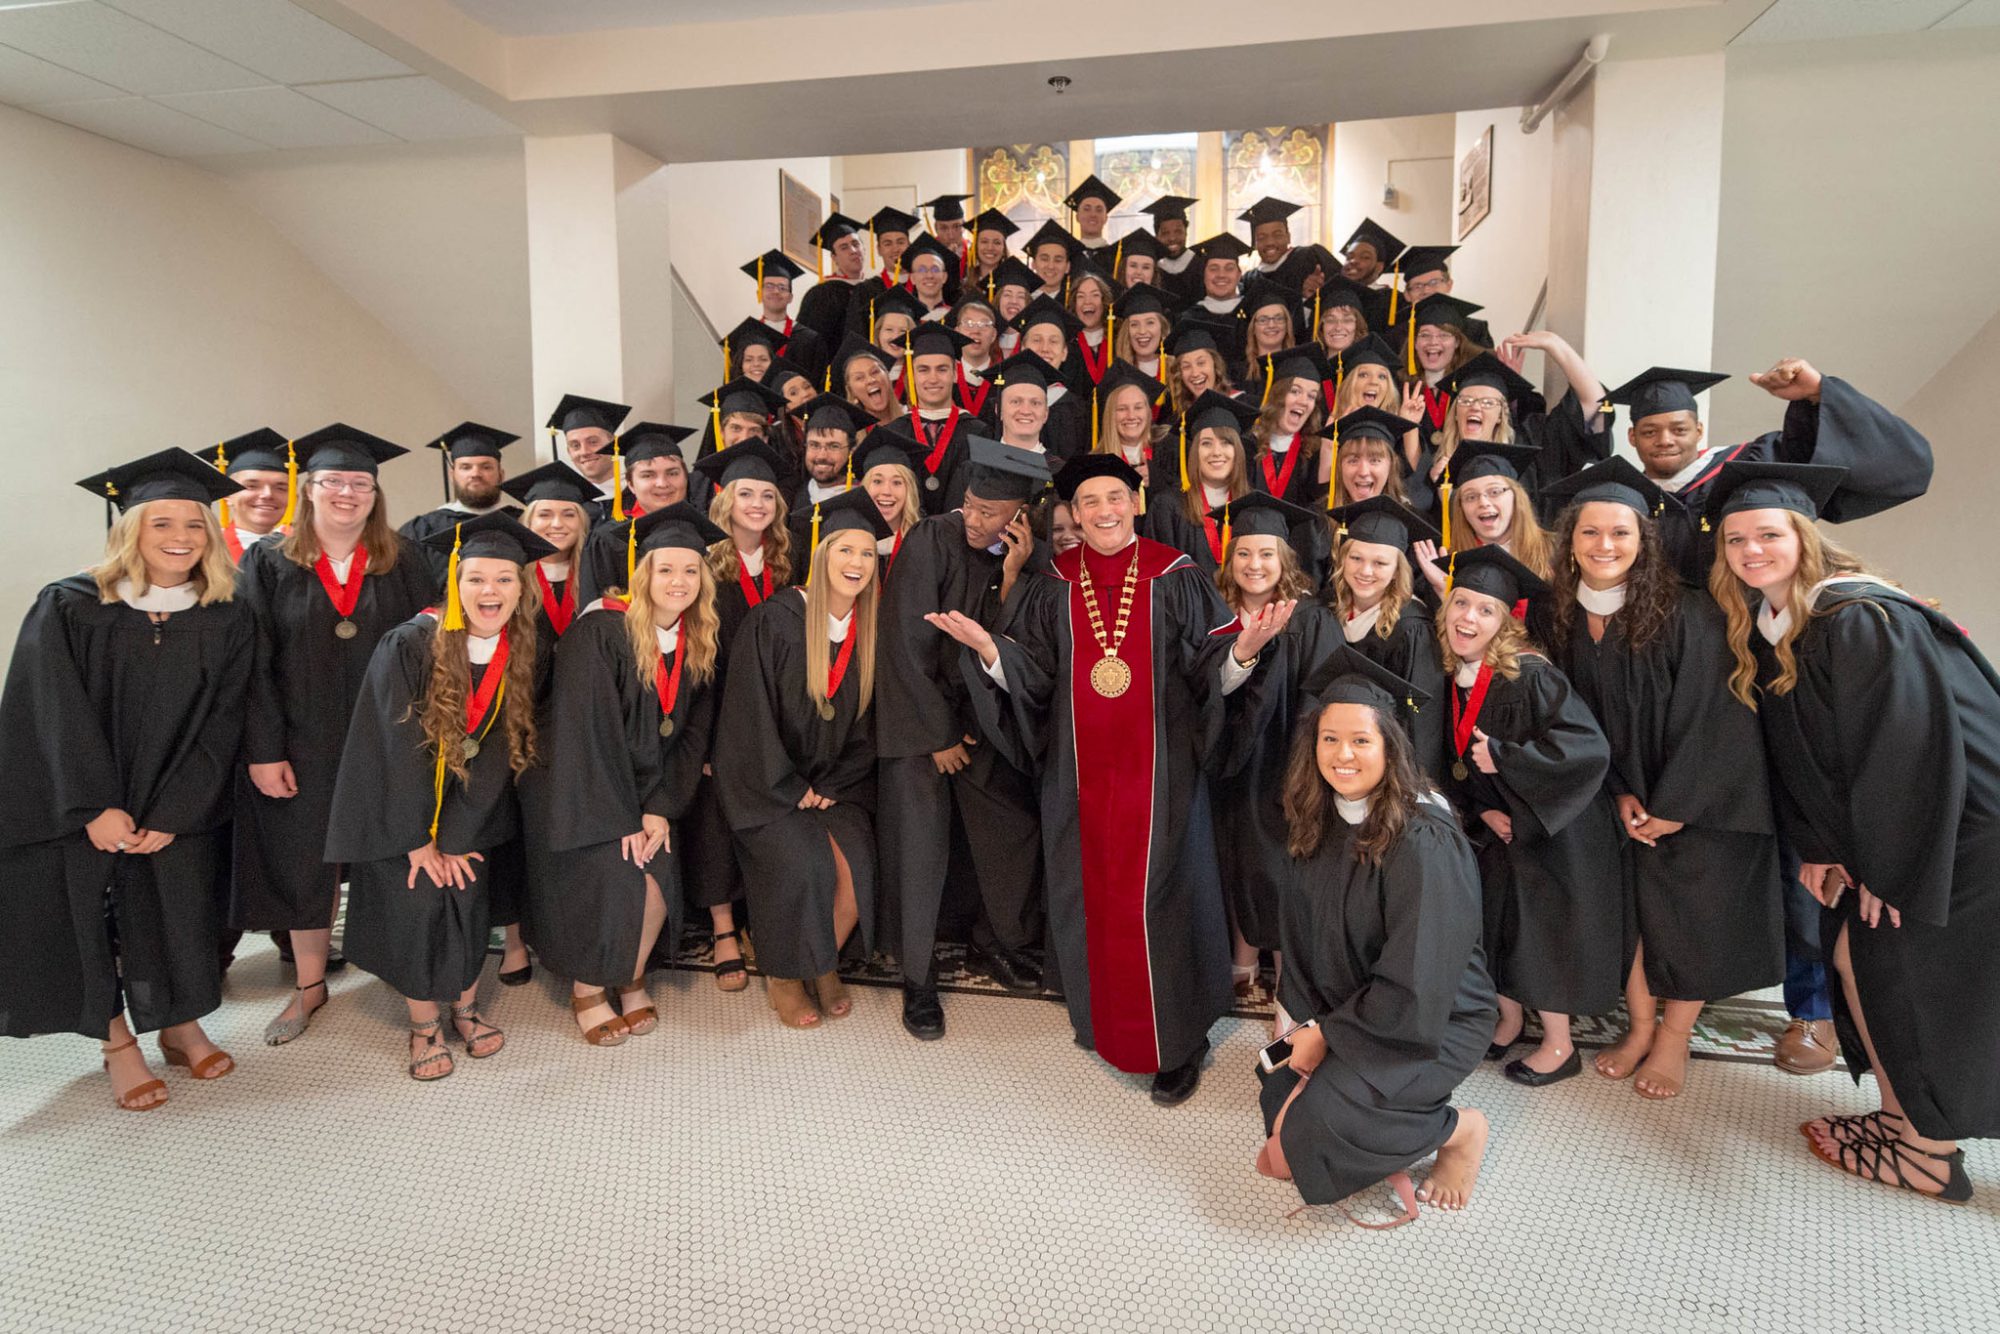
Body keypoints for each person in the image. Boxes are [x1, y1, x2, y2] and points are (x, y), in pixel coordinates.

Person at [1708, 461, 1996, 1203]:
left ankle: (1925, 1152)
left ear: (1803, 537)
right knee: (1855, 959)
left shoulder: (1858, 617)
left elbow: (1904, 752)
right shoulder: (1782, 626)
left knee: (1904, 978)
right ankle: (1904, 1123)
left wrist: (1892, 869)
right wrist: (1824, 848)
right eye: (1736, 539)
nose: (1751, 551)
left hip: (1959, 835)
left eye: (1768, 534)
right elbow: (1814, 756)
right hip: (1916, 831)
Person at [933, 454, 1236, 1104]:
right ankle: (1110, 1023)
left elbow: (1216, 658)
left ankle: (1178, 1043)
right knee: (1095, 902)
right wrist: (991, 653)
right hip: (1081, 782)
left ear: (1135, 500)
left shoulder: (1175, 575)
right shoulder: (1054, 580)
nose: (1102, 511)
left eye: (1113, 498)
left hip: (1164, 782)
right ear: (1071, 512)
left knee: (1160, 905)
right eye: (1088, 502)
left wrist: (1240, 656)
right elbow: (1035, 673)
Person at [0, 450, 254, 1111]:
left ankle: (179, 1022)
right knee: (94, 921)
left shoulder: (225, 614)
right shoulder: (71, 606)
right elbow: (48, 710)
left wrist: (177, 809)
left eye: (195, 524)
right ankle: (118, 1044)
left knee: (177, 911)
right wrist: (93, 806)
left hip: (177, 804)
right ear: (129, 529)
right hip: (88, 804)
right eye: (161, 523)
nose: (179, 539)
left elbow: (225, 717)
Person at [1541, 458, 1781, 1101]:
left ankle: (1674, 1037)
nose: (1604, 546)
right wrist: (1620, 790)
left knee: (1690, 916)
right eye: (1590, 533)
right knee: (1637, 917)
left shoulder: (1688, 613)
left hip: (1700, 799)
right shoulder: (1564, 618)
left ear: (1643, 539)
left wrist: (1676, 804)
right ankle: (1640, 1026)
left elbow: (1715, 714)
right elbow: (1577, 722)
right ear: (1570, 543)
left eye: (1620, 533)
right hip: (1627, 794)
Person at [1254, 650, 1494, 1224]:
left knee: (1318, 1128)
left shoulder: (1422, 840)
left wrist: (1332, 1037)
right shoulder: (1319, 816)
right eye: (1330, 739)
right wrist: (1303, 1024)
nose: (1343, 755)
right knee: (1273, 1092)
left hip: (1429, 1019)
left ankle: (1459, 1131)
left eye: (1361, 741)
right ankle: (1367, 1104)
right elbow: (1307, 937)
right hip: (1350, 1010)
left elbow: (1420, 976)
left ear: (1390, 747)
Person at [328, 512, 550, 1081]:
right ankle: (424, 1024)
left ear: (521, 587)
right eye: (476, 578)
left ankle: (467, 1009)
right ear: (454, 581)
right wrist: (419, 839)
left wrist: (458, 833)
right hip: (397, 813)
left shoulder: (523, 648)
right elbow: (391, 749)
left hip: (471, 814)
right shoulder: (410, 643)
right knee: (420, 900)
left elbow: (505, 746)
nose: (490, 591)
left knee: (469, 895)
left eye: (504, 579)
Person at [233, 425, 434, 1047]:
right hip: (302, 741)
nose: (347, 493)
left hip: (390, 738)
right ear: (309, 490)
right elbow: (254, 662)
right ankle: (309, 988)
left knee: (394, 854)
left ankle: (410, 981)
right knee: (304, 865)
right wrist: (265, 750)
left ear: (375, 495)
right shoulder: (267, 561)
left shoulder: (404, 559)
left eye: (360, 484)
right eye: (333, 482)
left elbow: (433, 651)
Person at [524, 503, 728, 1046]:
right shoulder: (601, 631)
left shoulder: (699, 639)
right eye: (665, 569)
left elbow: (692, 734)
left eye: (690, 571)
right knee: (625, 877)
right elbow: (589, 736)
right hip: (581, 791)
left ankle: (629, 975)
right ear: (642, 573)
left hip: (648, 793)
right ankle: (588, 985)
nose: (678, 581)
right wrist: (625, 819)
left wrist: (660, 805)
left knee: (658, 886)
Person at [876, 440, 1049, 1038]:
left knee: (1010, 826)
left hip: (984, 725)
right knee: (919, 846)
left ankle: (995, 942)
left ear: (1020, 516)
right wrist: (938, 735)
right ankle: (917, 980)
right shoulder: (932, 540)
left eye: (990, 512)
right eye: (970, 505)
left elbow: (1012, 644)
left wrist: (1009, 576)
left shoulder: (1025, 559)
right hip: (921, 725)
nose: (974, 520)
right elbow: (905, 644)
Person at [1434, 546, 1621, 1088]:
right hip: (1506, 824)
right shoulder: (1458, 674)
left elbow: (1587, 749)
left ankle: (1560, 1046)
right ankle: (1509, 1017)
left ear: (1506, 622)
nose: (1468, 617)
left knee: (1543, 931)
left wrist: (1509, 763)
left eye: (1484, 610)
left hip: (1557, 828)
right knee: (1500, 923)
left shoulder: (1531, 675)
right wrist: (1487, 808)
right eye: (1460, 603)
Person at [715, 488, 891, 1029]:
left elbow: (871, 724)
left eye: (866, 553)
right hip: (767, 787)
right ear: (821, 554)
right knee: (804, 865)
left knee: (856, 868)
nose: (856, 563)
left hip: (835, 784)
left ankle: (820, 963)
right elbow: (747, 720)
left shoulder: (872, 631)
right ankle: (786, 975)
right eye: (845, 550)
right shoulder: (775, 620)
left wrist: (835, 782)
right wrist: (791, 786)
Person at [1601, 360, 1933, 586]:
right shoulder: (1617, 498)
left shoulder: (1752, 466)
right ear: (1632, 436)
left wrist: (1816, 393)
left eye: (1679, 429)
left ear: (1699, 430)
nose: (1665, 440)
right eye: (1649, 432)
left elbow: (1897, 468)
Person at [1207, 491, 1334, 1007]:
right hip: (1224, 760)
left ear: (1284, 559)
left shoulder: (1309, 618)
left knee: (1279, 868)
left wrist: (1303, 767)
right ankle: (1241, 958)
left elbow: (1321, 695)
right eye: (1243, 553)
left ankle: (1288, 977)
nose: (1253, 565)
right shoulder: (1214, 611)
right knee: (1231, 858)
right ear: (1229, 558)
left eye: (1265, 554)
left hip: (1284, 762)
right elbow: (1199, 683)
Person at [1326, 494, 1449, 782]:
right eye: (1356, 558)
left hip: (1392, 773)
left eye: (1380, 563)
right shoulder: (1326, 612)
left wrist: (1415, 786)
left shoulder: (1412, 627)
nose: (1365, 571)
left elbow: (1423, 719)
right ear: (1343, 559)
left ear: (1397, 570)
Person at [574, 422, 699, 608]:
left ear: (685, 477)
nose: (662, 483)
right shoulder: (608, 539)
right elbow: (595, 614)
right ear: (631, 485)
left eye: (672, 473)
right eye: (648, 475)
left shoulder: (703, 530)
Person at [1143, 391, 1259, 577]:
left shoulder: (1253, 507)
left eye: (1226, 443)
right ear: (1194, 452)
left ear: (1238, 450)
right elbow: (1159, 577)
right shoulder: (1168, 506)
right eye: (1206, 443)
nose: (1216, 452)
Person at [400, 423, 519, 583]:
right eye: (465, 467)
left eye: (486, 467)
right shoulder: (422, 530)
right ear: (452, 475)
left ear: (501, 474)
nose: (475, 474)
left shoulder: (521, 522)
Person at [1248, 345, 1330, 509]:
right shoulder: (1248, 445)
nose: (1303, 401)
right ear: (1277, 394)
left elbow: (1318, 504)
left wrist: (1328, 451)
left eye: (1312, 396)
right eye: (1295, 391)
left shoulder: (1312, 453)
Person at [741, 247, 829, 384]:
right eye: (769, 286)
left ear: (790, 297)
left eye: (782, 288)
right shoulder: (745, 336)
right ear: (759, 293)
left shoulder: (810, 340)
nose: (776, 291)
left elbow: (817, 385)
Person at [206, 429, 293, 563]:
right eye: (252, 486)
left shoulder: (307, 550)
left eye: (280, 488)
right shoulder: (207, 550)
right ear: (227, 495)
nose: (267, 494)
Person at [544, 393, 631, 525]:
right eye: (575, 445)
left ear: (613, 443)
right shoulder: (570, 502)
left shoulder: (639, 494)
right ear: (569, 452)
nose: (584, 452)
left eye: (593, 442)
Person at [797, 211, 870, 348]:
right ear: (834, 258)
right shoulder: (820, 295)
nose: (853, 250)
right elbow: (807, 343)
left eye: (856, 244)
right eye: (844, 247)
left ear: (864, 249)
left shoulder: (875, 290)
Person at [1091, 362, 1167, 489]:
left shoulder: (1168, 449)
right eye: (1122, 409)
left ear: (1148, 412)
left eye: (1138, 407)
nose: (1131, 416)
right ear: (1110, 416)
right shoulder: (1097, 464)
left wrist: (1157, 478)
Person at [1163, 316, 1239, 418]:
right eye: (1186, 366)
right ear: (1180, 373)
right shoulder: (1179, 421)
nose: (1195, 373)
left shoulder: (1242, 405)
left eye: (1201, 363)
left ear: (1215, 364)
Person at [1143, 195, 1201, 305]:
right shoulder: (1152, 268)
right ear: (1156, 237)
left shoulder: (1200, 265)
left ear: (1186, 232)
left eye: (1178, 231)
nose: (1172, 238)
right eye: (1165, 233)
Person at [1111, 282, 1173, 383]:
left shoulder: (1177, 375)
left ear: (1162, 329)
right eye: (1134, 324)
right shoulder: (1117, 378)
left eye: (1150, 322)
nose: (1142, 331)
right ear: (1127, 332)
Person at [1192, 233, 1251, 318]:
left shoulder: (1253, 314)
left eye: (1229, 268)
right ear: (1203, 275)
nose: (1221, 275)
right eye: (1213, 269)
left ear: (1239, 275)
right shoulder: (1190, 317)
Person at [1065, 174, 1122, 258]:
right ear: (1077, 217)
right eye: (1087, 209)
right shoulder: (1068, 257)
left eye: (1099, 210)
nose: (1093, 214)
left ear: (1106, 218)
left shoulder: (1116, 257)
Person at [1023, 219, 1080, 301]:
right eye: (1044, 259)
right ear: (1033, 264)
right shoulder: (1021, 302)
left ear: (1067, 267)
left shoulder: (1075, 304)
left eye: (1058, 260)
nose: (1051, 266)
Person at [961, 207, 1018, 288]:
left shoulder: (1013, 286)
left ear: (1003, 249)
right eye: (984, 241)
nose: (990, 248)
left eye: (997, 242)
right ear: (975, 247)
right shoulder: (964, 287)